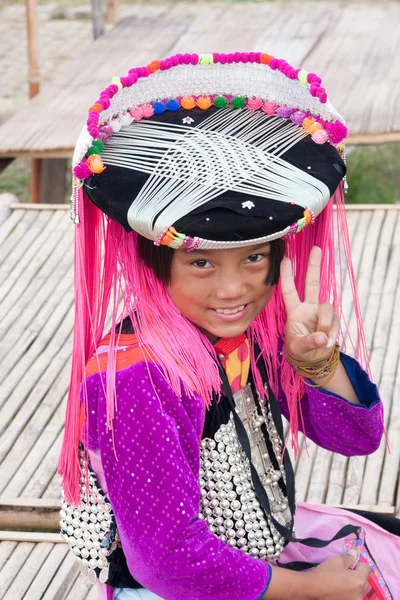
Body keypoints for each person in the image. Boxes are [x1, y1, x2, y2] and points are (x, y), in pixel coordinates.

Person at [59, 51, 400, 600]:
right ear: (156, 263)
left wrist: (316, 360)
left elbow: (357, 437)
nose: (232, 288)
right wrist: (315, 589)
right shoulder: (136, 380)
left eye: (253, 258)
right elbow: (166, 561)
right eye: (202, 263)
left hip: (260, 547)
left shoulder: (253, 335)